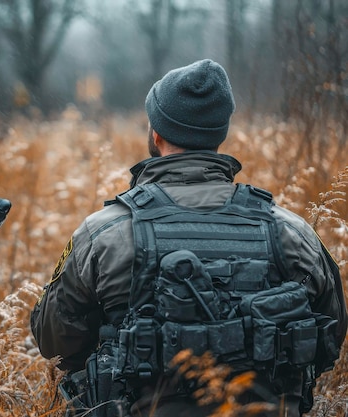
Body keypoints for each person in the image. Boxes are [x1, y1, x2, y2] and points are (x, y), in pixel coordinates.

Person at [30, 59, 347, 417]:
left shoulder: (104, 232)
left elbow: (54, 341)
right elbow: (328, 338)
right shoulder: (291, 231)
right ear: (220, 134)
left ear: (156, 133)